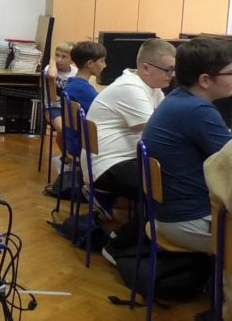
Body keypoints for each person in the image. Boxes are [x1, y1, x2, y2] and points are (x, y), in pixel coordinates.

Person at [86, 38, 177, 262]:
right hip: (107, 165)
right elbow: (161, 132)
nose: (172, 75)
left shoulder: (152, 88)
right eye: (168, 69)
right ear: (145, 68)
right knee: (168, 192)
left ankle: (139, 239)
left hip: (121, 159)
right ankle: (119, 244)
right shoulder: (131, 88)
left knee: (169, 183)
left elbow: (167, 123)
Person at [142, 38, 232, 253]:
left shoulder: (179, 98)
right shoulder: (198, 111)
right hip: (189, 220)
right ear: (205, 80)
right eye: (230, 73)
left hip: (172, 215)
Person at [60, 41, 106, 159]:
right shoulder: (83, 89)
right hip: (82, 146)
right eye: (102, 61)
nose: (104, 65)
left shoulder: (72, 84)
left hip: (72, 142)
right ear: (90, 63)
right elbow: (103, 111)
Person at [43, 41, 77, 153]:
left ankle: (74, 154)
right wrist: (52, 61)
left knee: (83, 127)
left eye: (64, 57)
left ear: (72, 60)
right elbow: (52, 75)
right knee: (63, 128)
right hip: (53, 107)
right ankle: (66, 154)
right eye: (57, 55)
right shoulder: (50, 68)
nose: (59, 59)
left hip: (70, 107)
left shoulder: (75, 72)